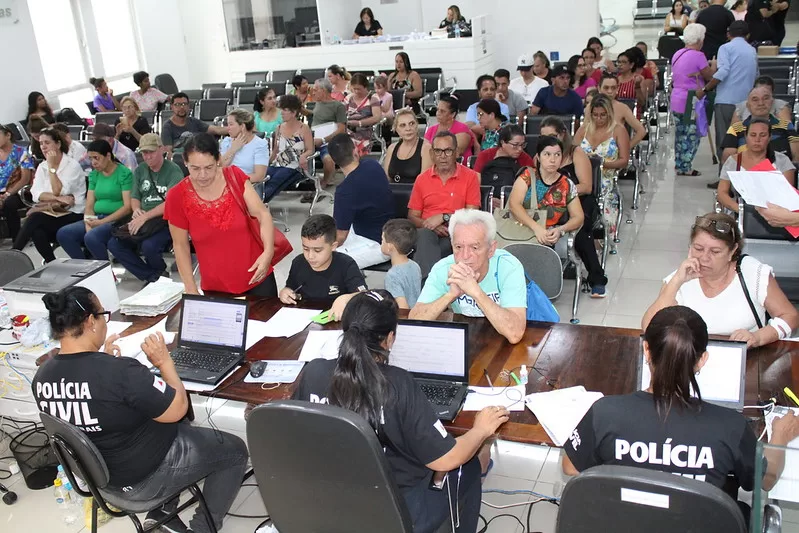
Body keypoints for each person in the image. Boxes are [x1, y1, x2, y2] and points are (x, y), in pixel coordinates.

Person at [33, 286, 249, 533]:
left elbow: (89, 399)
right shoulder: (118, 372)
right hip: (142, 482)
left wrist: (103, 360)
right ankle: (200, 529)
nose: (105, 321)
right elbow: (179, 408)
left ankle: (164, 516)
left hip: (99, 481)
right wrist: (164, 362)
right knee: (235, 450)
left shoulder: (42, 376)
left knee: (162, 414)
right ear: (91, 321)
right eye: (104, 314)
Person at [293, 289, 507, 533]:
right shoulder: (396, 384)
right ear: (390, 339)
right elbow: (448, 459)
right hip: (396, 510)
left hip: (329, 501)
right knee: (466, 467)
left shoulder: (314, 371)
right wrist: (480, 430)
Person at [565, 305, 799, 507]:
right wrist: (779, 436)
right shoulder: (730, 427)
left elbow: (571, 467)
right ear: (702, 360)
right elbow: (765, 480)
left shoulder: (605, 412)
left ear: (646, 349)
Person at [642, 212, 799, 344]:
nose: (704, 258)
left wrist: (757, 338)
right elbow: (649, 328)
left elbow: (790, 317)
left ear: (732, 251)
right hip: (692, 358)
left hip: (748, 358)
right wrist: (676, 282)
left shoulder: (752, 273)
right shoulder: (680, 278)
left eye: (715, 252)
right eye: (698, 248)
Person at [164, 133, 278, 296]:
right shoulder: (177, 196)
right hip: (216, 285)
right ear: (185, 162)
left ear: (218, 160)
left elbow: (262, 214)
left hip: (257, 275)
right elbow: (180, 245)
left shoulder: (234, 177)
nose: (202, 175)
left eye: (209, 167)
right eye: (195, 168)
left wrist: (268, 253)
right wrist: (190, 287)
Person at [410, 209, 527, 344]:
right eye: (458, 247)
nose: (465, 256)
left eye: (475, 248)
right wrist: (450, 295)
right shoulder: (442, 269)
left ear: (491, 249)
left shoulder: (508, 266)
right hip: (470, 338)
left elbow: (515, 334)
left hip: (514, 340)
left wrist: (475, 291)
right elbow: (414, 321)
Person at [539, 117, 608, 295]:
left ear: (563, 134)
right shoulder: (540, 156)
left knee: (581, 229)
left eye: (553, 135)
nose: (549, 141)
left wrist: (562, 192)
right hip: (551, 204)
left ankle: (596, 278)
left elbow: (586, 186)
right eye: (543, 137)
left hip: (581, 200)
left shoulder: (575, 153)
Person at [107, 134, 183, 283]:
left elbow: (171, 203)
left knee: (149, 246)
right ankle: (152, 276)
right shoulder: (141, 169)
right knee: (114, 244)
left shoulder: (173, 170)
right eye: (144, 153)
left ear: (161, 149)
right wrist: (136, 210)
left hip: (166, 220)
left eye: (151, 152)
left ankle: (159, 273)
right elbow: (135, 196)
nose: (147, 157)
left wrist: (145, 217)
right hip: (144, 220)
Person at [408, 131, 481, 278]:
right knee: (425, 236)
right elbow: (412, 216)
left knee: (430, 248)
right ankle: (432, 287)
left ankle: (425, 288)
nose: (443, 156)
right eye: (438, 151)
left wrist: (445, 217)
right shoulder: (422, 179)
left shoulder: (470, 177)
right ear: (432, 153)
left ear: (456, 153)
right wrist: (430, 225)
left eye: (448, 151)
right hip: (427, 232)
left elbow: (472, 215)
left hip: (457, 233)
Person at [507, 137, 585, 266]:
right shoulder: (527, 176)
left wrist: (561, 230)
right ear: (538, 157)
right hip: (520, 231)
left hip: (547, 237)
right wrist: (537, 228)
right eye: (547, 154)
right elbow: (514, 205)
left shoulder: (566, 184)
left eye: (557, 155)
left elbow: (578, 217)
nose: (552, 160)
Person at [13, 128, 86, 263]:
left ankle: (13, 253)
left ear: (58, 144)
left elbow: (59, 190)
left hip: (73, 213)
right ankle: (51, 262)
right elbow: (36, 194)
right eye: (41, 143)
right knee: (36, 230)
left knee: (35, 218)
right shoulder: (42, 166)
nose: (43, 147)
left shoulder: (72, 165)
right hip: (51, 212)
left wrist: (52, 168)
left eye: (47, 143)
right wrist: (57, 198)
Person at [696, 20, 758, 179]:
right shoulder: (752, 50)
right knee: (742, 141)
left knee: (725, 141)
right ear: (747, 34)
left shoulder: (725, 48)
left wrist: (705, 89)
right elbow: (756, 75)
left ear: (728, 34)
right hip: (746, 104)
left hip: (726, 101)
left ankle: (724, 180)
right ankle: (741, 178)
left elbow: (723, 72)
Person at [279, 214, 367, 320]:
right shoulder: (298, 263)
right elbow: (291, 288)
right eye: (306, 249)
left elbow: (364, 295)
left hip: (337, 321)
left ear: (333, 246)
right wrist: (285, 292)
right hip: (305, 320)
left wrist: (346, 298)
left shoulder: (346, 265)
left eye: (317, 250)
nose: (310, 256)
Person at [56, 140, 133, 261]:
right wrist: (88, 223)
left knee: (92, 237)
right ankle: (85, 267)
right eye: (91, 159)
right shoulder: (94, 175)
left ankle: (105, 271)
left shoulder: (124, 173)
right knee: (64, 233)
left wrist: (101, 223)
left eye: (96, 158)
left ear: (108, 156)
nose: (93, 163)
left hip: (117, 220)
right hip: (97, 218)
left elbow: (127, 207)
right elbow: (90, 204)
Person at [328, 133, 394, 268]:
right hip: (386, 230)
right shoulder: (373, 165)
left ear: (334, 161)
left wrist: (323, 248)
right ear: (355, 151)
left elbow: (341, 236)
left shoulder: (345, 191)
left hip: (377, 243)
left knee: (328, 261)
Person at [574, 94, 631, 239]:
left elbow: (624, 160)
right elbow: (572, 152)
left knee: (604, 216)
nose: (599, 119)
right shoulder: (584, 130)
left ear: (609, 114)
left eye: (603, 115)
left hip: (606, 180)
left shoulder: (618, 130)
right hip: (583, 179)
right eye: (595, 115)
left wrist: (603, 164)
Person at [717, 118, 795, 213]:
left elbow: (787, 194)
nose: (757, 140)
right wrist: (741, 211)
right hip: (740, 212)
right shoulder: (733, 161)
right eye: (753, 135)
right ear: (746, 136)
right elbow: (721, 193)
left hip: (776, 213)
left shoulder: (782, 161)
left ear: (769, 137)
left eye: (763, 135)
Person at [669, 24, 714, 176]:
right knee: (691, 134)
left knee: (680, 133)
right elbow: (709, 76)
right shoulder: (699, 55)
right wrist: (713, 66)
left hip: (676, 98)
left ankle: (679, 164)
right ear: (700, 39)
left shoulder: (677, 54)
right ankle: (686, 167)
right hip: (691, 99)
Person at [719, 86, 799, 164]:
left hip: (781, 173)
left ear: (772, 102)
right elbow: (728, 160)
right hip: (746, 173)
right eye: (755, 100)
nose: (761, 103)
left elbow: (796, 158)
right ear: (748, 106)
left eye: (765, 98)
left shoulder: (786, 126)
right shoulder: (736, 128)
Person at [263, 94, 314, 202]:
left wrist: (304, 156)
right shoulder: (279, 128)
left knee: (275, 181)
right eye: (281, 109)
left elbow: (310, 149)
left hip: (294, 167)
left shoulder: (303, 128)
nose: (281, 112)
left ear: (294, 112)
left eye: (285, 110)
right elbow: (275, 150)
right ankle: (251, 206)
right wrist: (265, 164)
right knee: (261, 178)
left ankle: (256, 207)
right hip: (277, 164)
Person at [160, 92, 227, 156]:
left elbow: (215, 130)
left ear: (188, 106)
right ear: (172, 107)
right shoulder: (167, 127)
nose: (182, 107)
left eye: (184, 104)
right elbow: (167, 152)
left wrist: (232, 129)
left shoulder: (194, 121)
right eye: (178, 104)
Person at [0, 124, 34, 242]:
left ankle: (17, 240)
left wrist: (7, 194)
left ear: (8, 135)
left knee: (9, 203)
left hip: (18, 192)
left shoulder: (21, 153)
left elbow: (24, 179)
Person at [473, 125, 534, 191]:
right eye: (515, 145)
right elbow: (476, 183)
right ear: (502, 142)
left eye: (522, 145)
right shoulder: (485, 155)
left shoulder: (525, 159)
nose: (520, 149)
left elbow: (530, 187)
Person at [311, 78, 347, 189]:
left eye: (315, 90)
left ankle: (325, 182)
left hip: (327, 142)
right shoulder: (318, 104)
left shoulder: (338, 106)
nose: (313, 92)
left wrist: (323, 140)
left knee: (328, 160)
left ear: (323, 90)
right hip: (313, 140)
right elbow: (317, 117)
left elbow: (341, 129)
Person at [220, 108, 269, 188]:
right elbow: (220, 167)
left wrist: (233, 179)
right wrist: (233, 149)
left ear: (242, 126)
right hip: (224, 186)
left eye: (231, 124)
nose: (227, 128)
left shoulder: (260, 145)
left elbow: (259, 176)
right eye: (227, 125)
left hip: (246, 186)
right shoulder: (227, 142)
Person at [598, 72, 647, 151]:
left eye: (613, 88)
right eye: (606, 88)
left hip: (615, 151)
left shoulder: (623, 108)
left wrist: (626, 148)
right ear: (599, 89)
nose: (610, 91)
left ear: (617, 89)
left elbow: (641, 131)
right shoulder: (590, 107)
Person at [424, 94, 479, 160]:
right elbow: (425, 151)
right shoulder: (431, 130)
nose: (438, 113)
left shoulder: (462, 129)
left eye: (442, 111)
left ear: (452, 114)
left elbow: (455, 152)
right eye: (437, 110)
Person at [385, 108, 433, 183]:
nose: (408, 128)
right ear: (396, 130)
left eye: (411, 124)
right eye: (402, 125)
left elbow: (424, 182)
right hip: (393, 192)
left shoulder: (426, 148)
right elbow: (386, 179)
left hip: (415, 192)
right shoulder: (392, 148)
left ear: (417, 125)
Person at [381, 219, 422, 309]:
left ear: (389, 247)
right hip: (416, 312)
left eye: (382, 240)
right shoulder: (414, 265)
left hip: (406, 320)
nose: (381, 243)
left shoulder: (392, 275)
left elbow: (402, 308)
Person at [344, 73, 382, 154]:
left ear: (365, 87)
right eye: (354, 89)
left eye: (359, 89)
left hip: (365, 132)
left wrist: (359, 123)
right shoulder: (348, 98)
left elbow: (377, 117)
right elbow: (342, 114)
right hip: (349, 132)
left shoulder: (373, 99)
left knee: (356, 150)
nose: (356, 91)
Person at [465, 76, 510, 140]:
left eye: (492, 89)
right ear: (479, 92)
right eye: (485, 89)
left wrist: (479, 127)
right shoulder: (473, 108)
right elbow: (469, 125)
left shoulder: (503, 107)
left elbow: (501, 126)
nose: (489, 92)